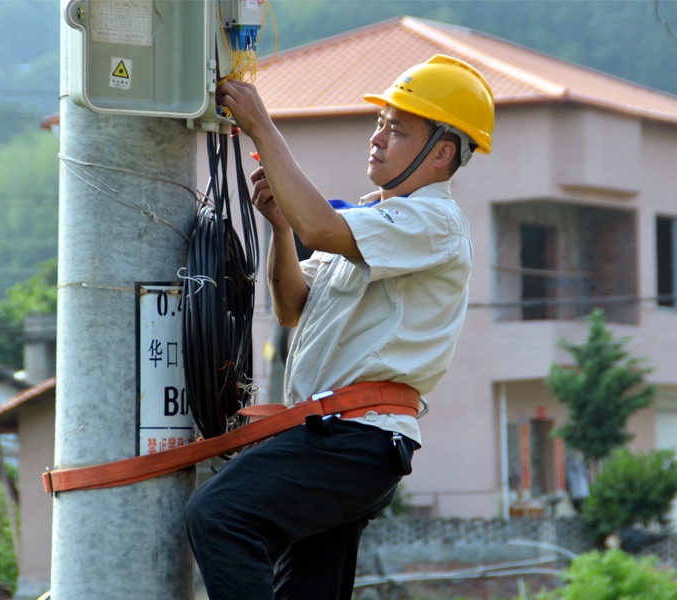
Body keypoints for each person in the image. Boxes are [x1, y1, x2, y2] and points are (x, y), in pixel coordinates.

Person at [185, 55, 495, 600]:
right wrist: (282, 230)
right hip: (334, 435)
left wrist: (261, 124)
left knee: (219, 516)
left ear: (442, 153)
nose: (377, 137)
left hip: (357, 436)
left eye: (397, 129)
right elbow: (290, 308)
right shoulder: (374, 223)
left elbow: (320, 226)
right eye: (380, 123)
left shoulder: (435, 222)